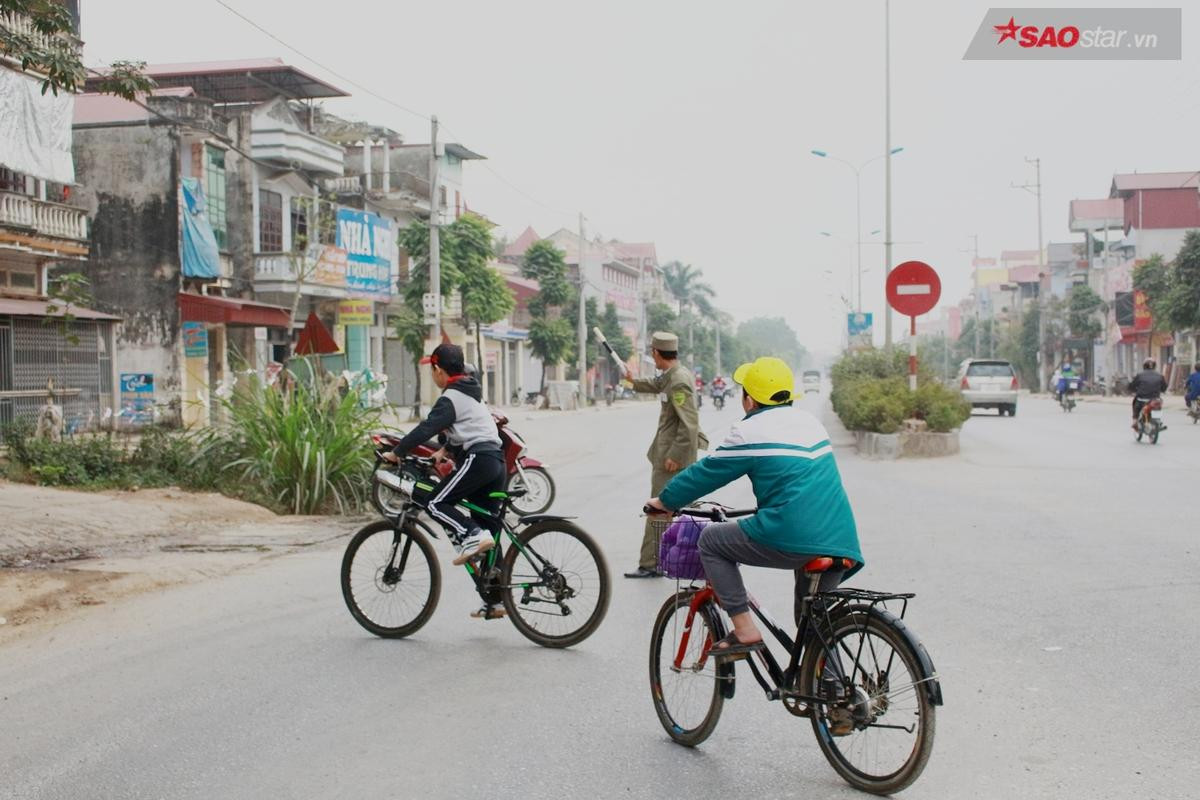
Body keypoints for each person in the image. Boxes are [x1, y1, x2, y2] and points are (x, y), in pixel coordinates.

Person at [645, 357, 863, 658]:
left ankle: (745, 629)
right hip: (841, 539)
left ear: (749, 399)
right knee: (815, 626)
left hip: (794, 534)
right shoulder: (811, 424)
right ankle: (835, 693)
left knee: (710, 541)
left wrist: (664, 501)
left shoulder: (750, 431)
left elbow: (705, 472)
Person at [382, 343, 507, 619]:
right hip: (496, 463)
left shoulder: (451, 396)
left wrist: (397, 452)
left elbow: (427, 428)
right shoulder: (469, 392)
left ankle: (471, 535)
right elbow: (465, 428)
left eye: (432, 370)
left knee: (436, 502)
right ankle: (496, 600)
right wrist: (445, 450)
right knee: (488, 526)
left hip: (481, 459)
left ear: (438, 370)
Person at [621, 331, 704, 578]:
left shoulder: (678, 380)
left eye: (652, 353)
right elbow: (654, 385)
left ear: (657, 353)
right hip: (671, 453)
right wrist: (630, 380)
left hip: (672, 457)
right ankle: (694, 556)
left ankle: (651, 564)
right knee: (685, 508)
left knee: (658, 507)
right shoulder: (672, 375)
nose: (652, 357)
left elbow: (689, 422)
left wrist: (675, 454)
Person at [1129, 358, 1168, 430]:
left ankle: (1135, 421)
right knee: (1158, 405)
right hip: (1155, 399)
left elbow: (1132, 386)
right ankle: (1158, 421)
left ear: (1144, 366)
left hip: (1142, 399)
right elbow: (1164, 387)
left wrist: (1133, 390)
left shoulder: (1139, 375)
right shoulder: (1160, 375)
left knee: (1136, 404)